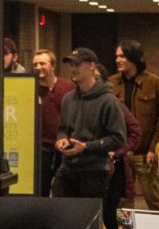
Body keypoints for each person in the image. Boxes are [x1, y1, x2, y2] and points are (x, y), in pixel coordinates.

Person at [51, 48, 126, 203]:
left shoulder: (108, 101)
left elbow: (118, 139)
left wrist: (85, 146)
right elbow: (62, 129)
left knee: (88, 221)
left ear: (92, 66)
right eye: (71, 64)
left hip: (94, 171)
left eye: (78, 64)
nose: (73, 68)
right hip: (67, 169)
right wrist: (62, 140)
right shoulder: (68, 99)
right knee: (60, 214)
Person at [110, 39, 159, 211]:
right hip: (120, 154)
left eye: (122, 56)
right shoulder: (111, 83)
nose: (118, 60)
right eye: (117, 56)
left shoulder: (155, 83)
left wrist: (153, 148)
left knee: (154, 200)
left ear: (134, 58)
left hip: (144, 154)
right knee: (123, 202)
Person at [95, 64, 141, 229]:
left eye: (96, 76)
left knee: (117, 214)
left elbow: (135, 132)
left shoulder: (114, 103)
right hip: (93, 168)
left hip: (115, 170)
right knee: (104, 214)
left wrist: (117, 151)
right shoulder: (79, 103)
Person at [32, 49, 75, 196]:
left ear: (52, 66)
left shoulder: (68, 87)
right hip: (42, 148)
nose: (38, 67)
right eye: (35, 64)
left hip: (66, 146)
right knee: (41, 188)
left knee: (64, 190)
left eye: (42, 63)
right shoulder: (30, 88)